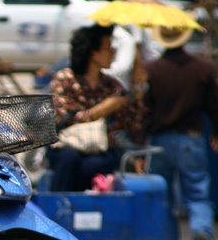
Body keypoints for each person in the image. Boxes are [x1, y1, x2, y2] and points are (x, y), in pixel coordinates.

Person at [143, 25, 218, 240]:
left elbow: (145, 111)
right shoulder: (202, 68)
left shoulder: (151, 70)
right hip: (192, 139)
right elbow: (213, 106)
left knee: (164, 198)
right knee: (198, 193)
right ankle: (201, 231)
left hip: (159, 140)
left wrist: (139, 144)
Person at [47, 24, 146, 192]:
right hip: (68, 145)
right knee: (68, 158)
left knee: (97, 164)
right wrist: (99, 111)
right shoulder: (65, 80)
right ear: (93, 53)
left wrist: (138, 91)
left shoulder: (111, 86)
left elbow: (133, 121)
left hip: (99, 149)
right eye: (108, 48)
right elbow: (62, 116)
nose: (113, 52)